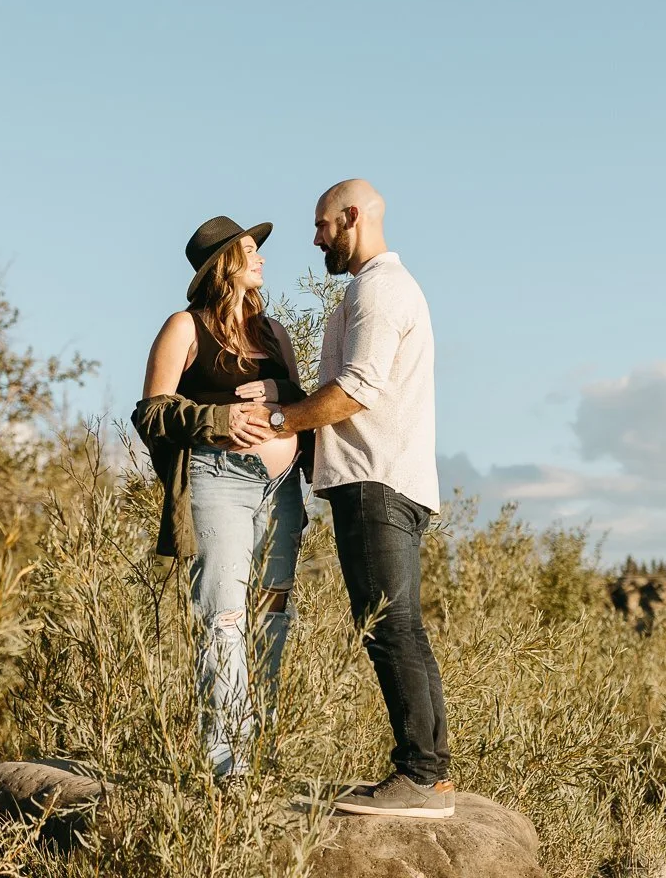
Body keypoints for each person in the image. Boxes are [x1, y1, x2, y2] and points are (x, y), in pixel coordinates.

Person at [242, 179, 453, 818]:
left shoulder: (377, 290)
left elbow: (358, 388)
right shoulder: (384, 288)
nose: (315, 239)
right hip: (390, 479)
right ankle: (429, 774)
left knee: (389, 627)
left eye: (321, 225)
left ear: (351, 217)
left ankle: (420, 777)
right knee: (400, 625)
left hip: (373, 480)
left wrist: (277, 422)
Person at [131, 215, 313, 781]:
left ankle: (265, 756)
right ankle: (228, 764)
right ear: (224, 264)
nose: (261, 258)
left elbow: (302, 404)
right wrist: (219, 419)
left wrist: (281, 388)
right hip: (219, 481)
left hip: (282, 490)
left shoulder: (274, 333)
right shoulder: (184, 326)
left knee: (272, 616)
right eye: (251, 250)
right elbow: (150, 414)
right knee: (226, 618)